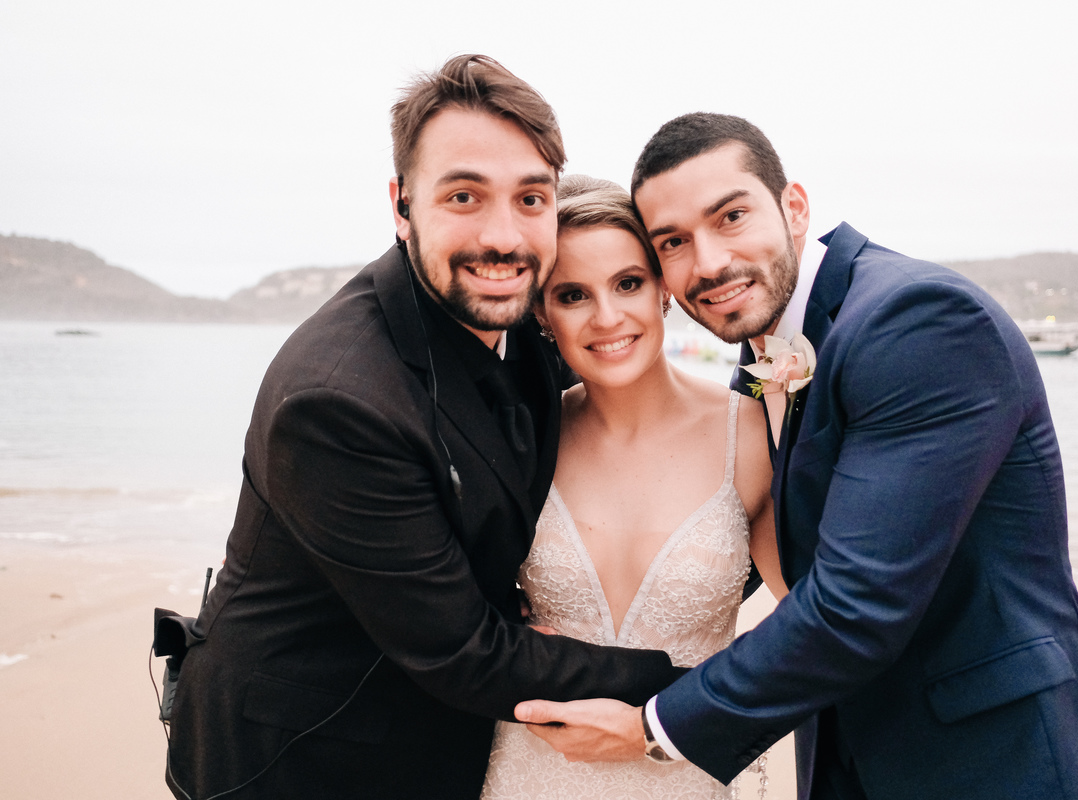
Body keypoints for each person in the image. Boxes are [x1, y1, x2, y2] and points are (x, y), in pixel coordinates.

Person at [515, 113, 1078, 800]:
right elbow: (726, 550)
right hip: (852, 754)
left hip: (991, 760)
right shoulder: (764, 352)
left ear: (794, 207)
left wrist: (654, 726)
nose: (707, 262)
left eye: (731, 217)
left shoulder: (917, 320)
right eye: (674, 241)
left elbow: (854, 603)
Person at [158, 56, 684, 800]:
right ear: (402, 206)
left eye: (530, 198)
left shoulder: (512, 317)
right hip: (302, 757)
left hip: (443, 735)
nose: (503, 236)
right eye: (464, 196)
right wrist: (705, 681)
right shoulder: (337, 401)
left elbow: (626, 381)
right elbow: (467, 653)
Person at [478, 175, 788, 799]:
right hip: (527, 776)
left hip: (682, 774)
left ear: (664, 291)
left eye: (628, 283)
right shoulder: (522, 440)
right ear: (539, 312)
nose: (608, 317)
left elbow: (815, 621)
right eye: (572, 294)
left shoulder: (751, 435)